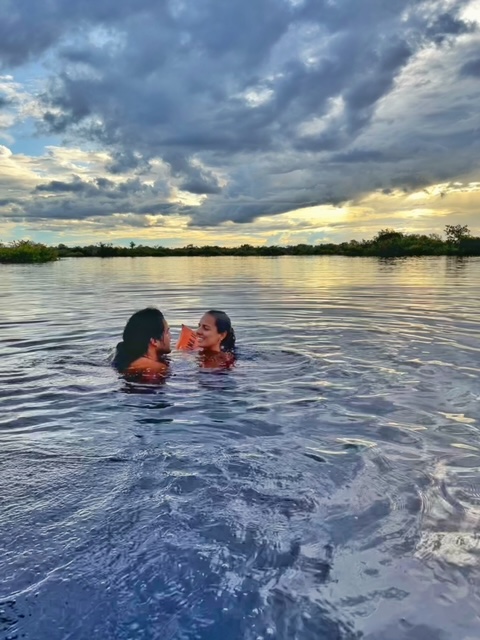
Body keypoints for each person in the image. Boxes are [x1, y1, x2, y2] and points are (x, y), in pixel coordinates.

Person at [113, 307, 171, 379]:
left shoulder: (123, 354)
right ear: (154, 341)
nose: (170, 337)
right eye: (167, 332)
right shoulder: (158, 368)